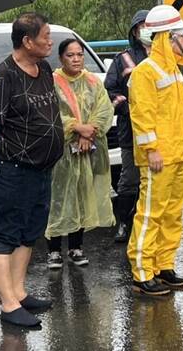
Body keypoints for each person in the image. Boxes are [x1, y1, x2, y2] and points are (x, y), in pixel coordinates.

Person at [0, 13, 64, 327]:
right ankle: (8, 304)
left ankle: (19, 292)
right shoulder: (3, 76)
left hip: (41, 169)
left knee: (29, 232)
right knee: (3, 233)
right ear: (27, 41)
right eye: (45, 36)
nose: (51, 42)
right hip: (10, 168)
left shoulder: (45, 69)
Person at [127, 4, 183, 297]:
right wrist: (151, 149)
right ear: (166, 37)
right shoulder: (145, 72)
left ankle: (164, 265)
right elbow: (142, 115)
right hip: (159, 158)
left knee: (172, 213)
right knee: (151, 214)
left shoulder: (175, 70)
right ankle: (142, 272)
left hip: (178, 154)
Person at [45, 38, 115, 269]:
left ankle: (76, 247)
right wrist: (75, 127)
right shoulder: (52, 82)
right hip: (61, 152)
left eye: (79, 55)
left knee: (83, 195)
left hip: (88, 148)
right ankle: (54, 250)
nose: (76, 59)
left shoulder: (94, 81)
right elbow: (51, 114)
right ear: (61, 58)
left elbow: (104, 110)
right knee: (59, 198)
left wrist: (88, 133)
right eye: (70, 55)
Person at [104, 9, 151, 244]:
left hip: (160, 131)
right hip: (130, 129)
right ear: (134, 31)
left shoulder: (168, 56)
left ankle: (151, 224)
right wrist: (128, 107)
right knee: (130, 178)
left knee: (155, 179)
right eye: (141, 25)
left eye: (150, 25)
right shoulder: (123, 59)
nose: (146, 29)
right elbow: (110, 89)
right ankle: (124, 222)